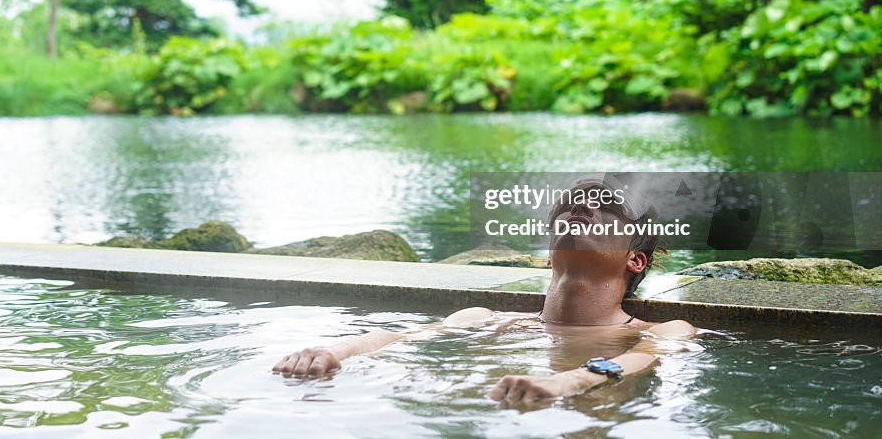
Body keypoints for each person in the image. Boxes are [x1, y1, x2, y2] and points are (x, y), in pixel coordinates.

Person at [272, 176, 697, 405]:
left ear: (635, 259)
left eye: (606, 208)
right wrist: (334, 351)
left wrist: (567, 384)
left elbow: (641, 361)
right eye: (570, 206)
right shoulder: (484, 320)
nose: (580, 208)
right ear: (550, 254)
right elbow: (397, 339)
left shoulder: (662, 331)